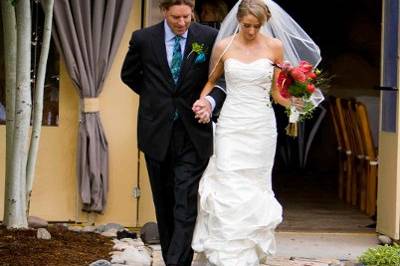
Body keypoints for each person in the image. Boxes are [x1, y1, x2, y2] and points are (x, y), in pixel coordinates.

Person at [191, 0, 312, 265]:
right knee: (228, 182)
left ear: (264, 23)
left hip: (261, 125)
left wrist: (294, 101)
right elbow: (211, 81)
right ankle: (224, 255)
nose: (251, 31)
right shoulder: (224, 46)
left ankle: (249, 255)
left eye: (257, 26)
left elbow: (276, 92)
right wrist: (203, 103)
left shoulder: (274, 47)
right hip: (232, 123)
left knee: (254, 187)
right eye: (246, 25)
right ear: (238, 21)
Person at [120, 0, 225, 265]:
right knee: (164, 205)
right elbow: (129, 74)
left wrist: (209, 103)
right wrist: (156, 98)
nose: (182, 23)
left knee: (185, 202)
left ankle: (178, 263)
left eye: (186, 17)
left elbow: (220, 78)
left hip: (193, 133)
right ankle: (172, 259)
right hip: (156, 133)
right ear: (164, 11)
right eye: (176, 17)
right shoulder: (143, 39)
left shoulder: (208, 38)